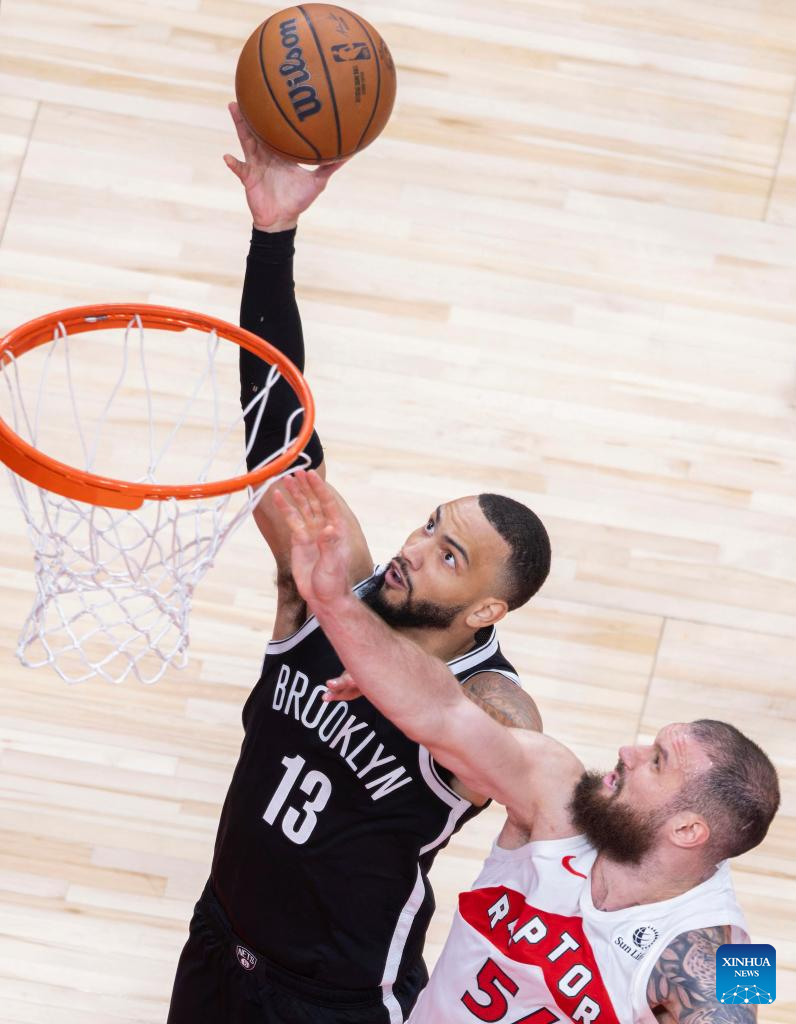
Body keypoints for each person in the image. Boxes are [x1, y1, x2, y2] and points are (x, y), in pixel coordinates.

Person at [166, 103, 552, 1024]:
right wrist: (272, 236)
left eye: (450, 555)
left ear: (486, 611)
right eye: (428, 527)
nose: (415, 550)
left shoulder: (491, 705)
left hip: (333, 1002)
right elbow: (280, 437)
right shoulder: (332, 589)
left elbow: (510, 756)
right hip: (218, 945)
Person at [274, 469, 781, 1024]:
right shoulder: (557, 790)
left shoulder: (731, 954)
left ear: (687, 830)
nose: (627, 752)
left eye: (656, 762)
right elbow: (444, 713)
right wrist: (345, 617)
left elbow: (745, 1008)